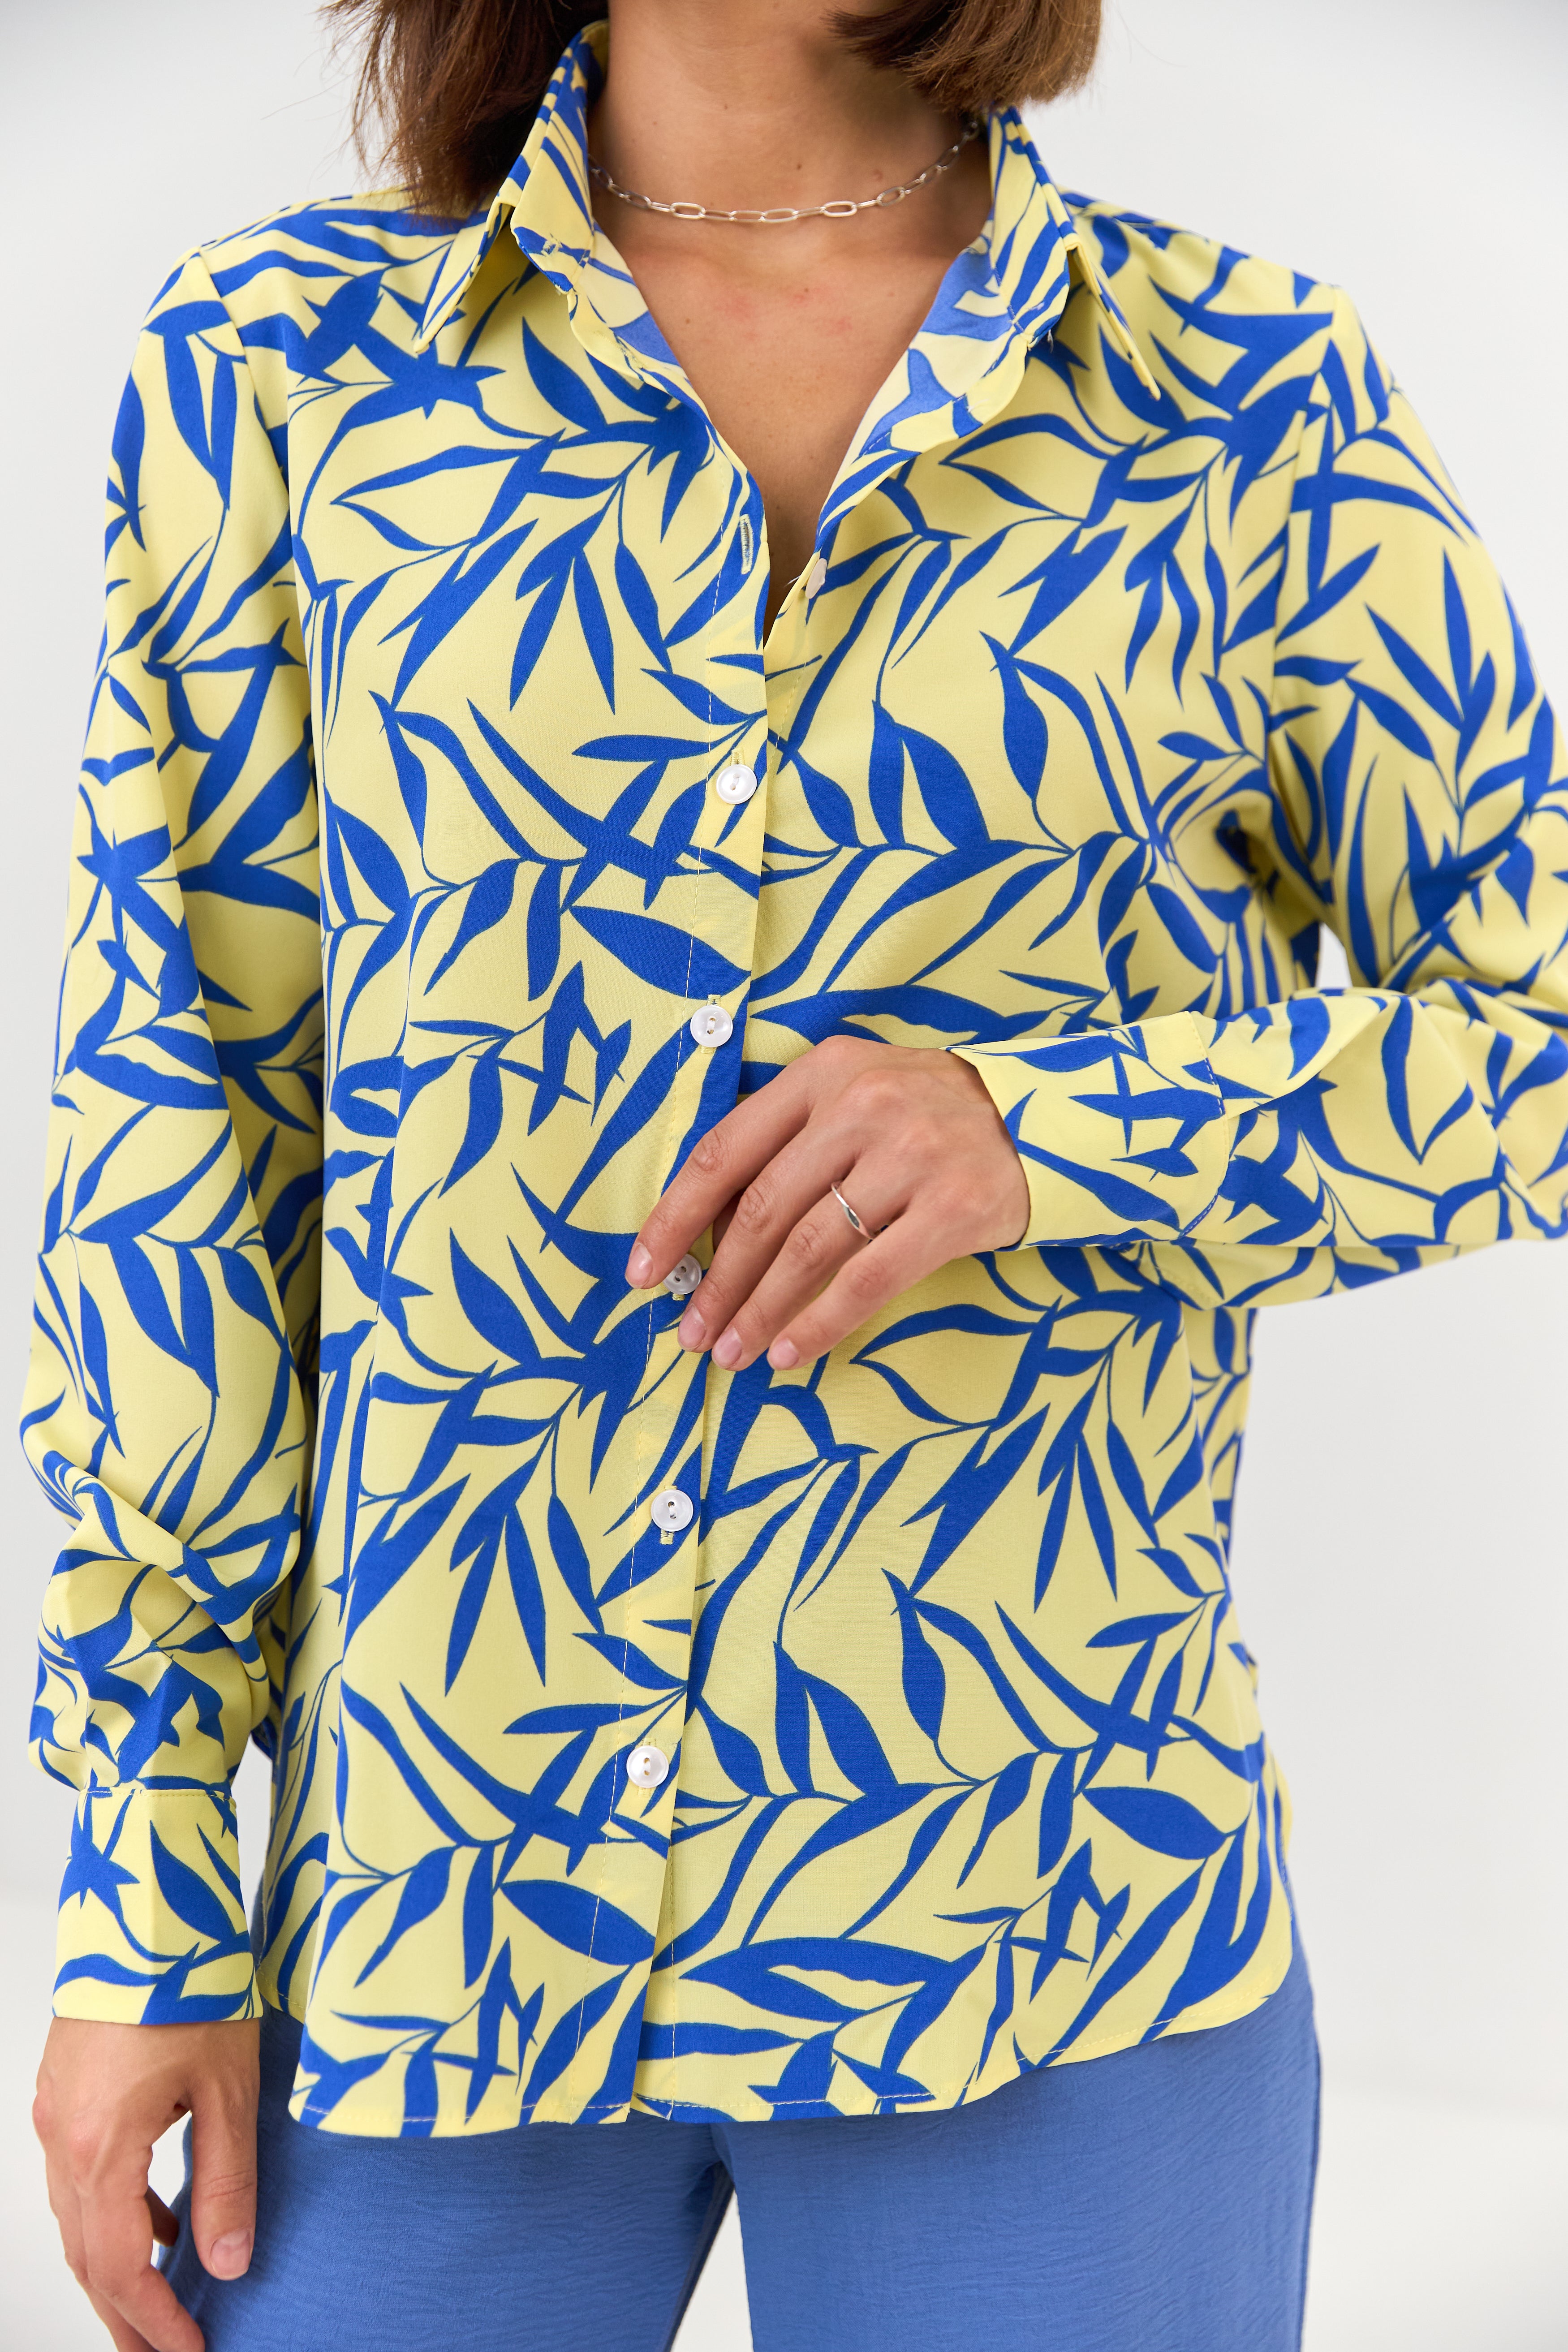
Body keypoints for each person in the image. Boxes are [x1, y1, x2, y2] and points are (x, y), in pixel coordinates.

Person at [25, 0, 1568, 2345]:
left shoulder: (1246, 398)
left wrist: (1049, 1136)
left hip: (1046, 1912)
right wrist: (145, 1886)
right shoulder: (287, 368)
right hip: (435, 1916)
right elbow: (181, 1139)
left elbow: (1535, 1017)